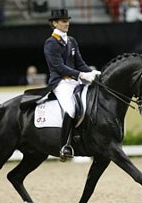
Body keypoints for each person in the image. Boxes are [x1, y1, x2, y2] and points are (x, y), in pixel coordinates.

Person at [44, 8, 100, 161]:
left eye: (67, 20)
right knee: (71, 109)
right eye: (63, 21)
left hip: (74, 82)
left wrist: (93, 72)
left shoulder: (71, 41)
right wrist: (81, 75)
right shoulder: (51, 43)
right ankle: (64, 146)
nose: (66, 23)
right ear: (54, 23)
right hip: (60, 82)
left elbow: (80, 63)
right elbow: (58, 67)